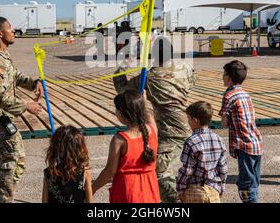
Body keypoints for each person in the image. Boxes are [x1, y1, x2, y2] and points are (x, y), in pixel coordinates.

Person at [113, 36, 196, 203]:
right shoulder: (185, 68)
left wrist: (123, 64)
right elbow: (192, 81)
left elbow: (122, 89)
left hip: (169, 132)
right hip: (185, 125)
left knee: (159, 173)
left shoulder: (150, 77)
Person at [0, 16, 44, 203]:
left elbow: (14, 76)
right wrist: (26, 106)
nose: (13, 30)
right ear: (0, 33)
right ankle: (2, 199)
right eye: (9, 28)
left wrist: (33, 83)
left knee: (3, 156)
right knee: (13, 157)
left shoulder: (2, 56)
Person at [92, 89, 160, 203]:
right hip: (150, 189)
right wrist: (143, 102)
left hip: (127, 191)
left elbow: (110, 171)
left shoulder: (120, 139)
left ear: (123, 113)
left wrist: (92, 188)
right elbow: (149, 116)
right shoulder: (152, 130)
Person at [219, 60, 263, 203]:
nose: (222, 76)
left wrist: (227, 119)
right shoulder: (245, 94)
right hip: (256, 143)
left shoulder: (228, 96)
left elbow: (224, 123)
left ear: (228, 77)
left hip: (244, 145)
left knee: (245, 184)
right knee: (253, 182)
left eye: (224, 74)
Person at [177, 101, 228, 203]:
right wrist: (222, 187)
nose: (188, 122)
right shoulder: (218, 139)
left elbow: (187, 170)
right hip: (213, 189)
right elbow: (223, 168)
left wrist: (180, 188)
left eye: (188, 119)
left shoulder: (191, 142)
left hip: (194, 191)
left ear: (195, 120)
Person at [42, 125, 93, 203]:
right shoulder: (84, 171)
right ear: (79, 148)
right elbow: (90, 200)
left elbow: (44, 200)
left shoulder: (49, 172)